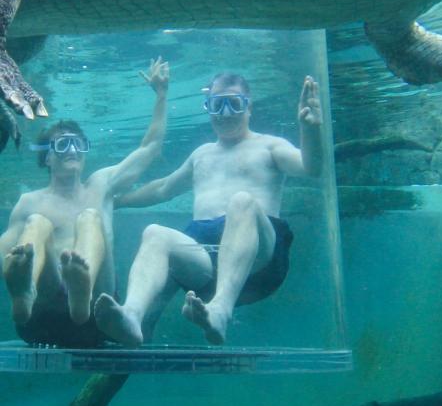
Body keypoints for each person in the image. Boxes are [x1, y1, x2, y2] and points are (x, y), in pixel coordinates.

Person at [94, 71, 322, 347]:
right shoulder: (201, 154)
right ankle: (131, 316)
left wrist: (310, 130)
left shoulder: (270, 146)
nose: (225, 113)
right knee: (154, 233)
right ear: (208, 108)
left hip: (259, 259)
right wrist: (117, 200)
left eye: (233, 104)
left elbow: (311, 167)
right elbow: (163, 188)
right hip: (204, 264)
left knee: (241, 201)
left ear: (249, 107)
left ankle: (220, 311)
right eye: (217, 105)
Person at [0, 57, 169, 347]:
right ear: (47, 157)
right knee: (37, 224)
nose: (73, 150)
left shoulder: (101, 185)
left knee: (90, 217)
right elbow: (5, 249)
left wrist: (162, 95)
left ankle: (82, 287)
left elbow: (150, 148)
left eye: (79, 144)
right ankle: (24, 292)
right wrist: (12, 267)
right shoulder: (30, 201)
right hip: (44, 313)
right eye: (63, 144)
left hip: (96, 313)